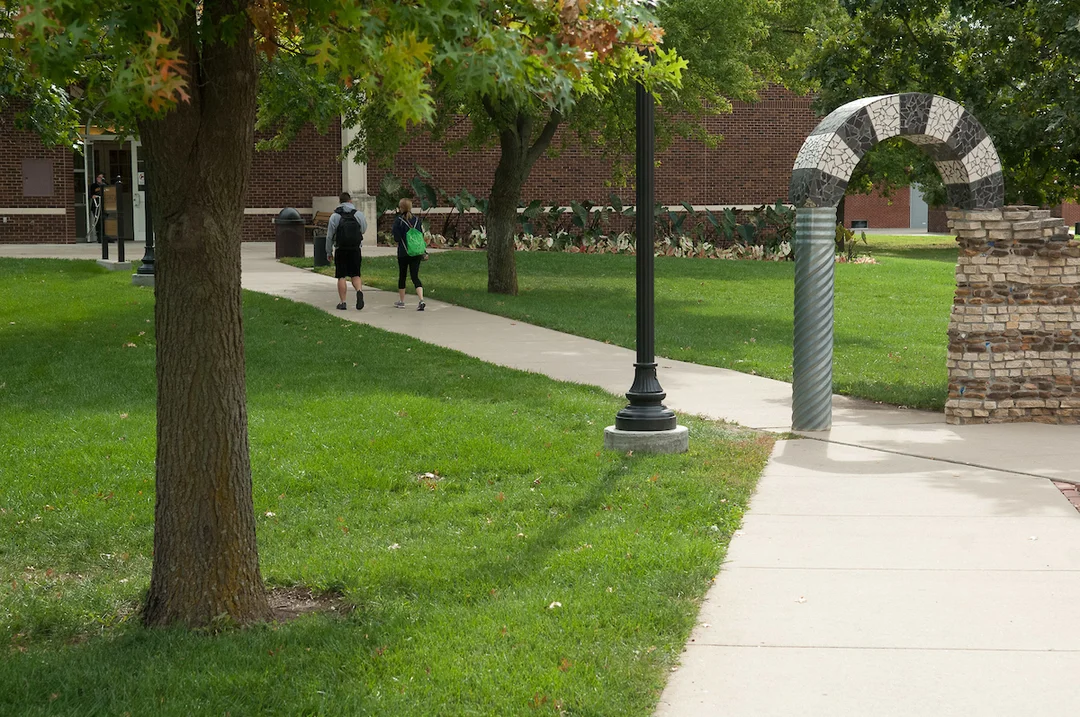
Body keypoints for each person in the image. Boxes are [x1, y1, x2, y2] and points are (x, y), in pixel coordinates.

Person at [325, 192, 368, 310]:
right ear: (350, 201)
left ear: (340, 202)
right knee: (356, 274)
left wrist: (329, 252)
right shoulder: (358, 214)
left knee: (341, 276)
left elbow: (329, 236)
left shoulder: (335, 216)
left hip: (341, 249)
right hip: (355, 248)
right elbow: (363, 229)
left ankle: (343, 302)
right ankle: (359, 291)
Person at [392, 198, 426, 311]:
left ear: (401, 207)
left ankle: (401, 301)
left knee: (402, 276)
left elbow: (396, 238)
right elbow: (420, 235)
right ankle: (421, 300)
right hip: (416, 252)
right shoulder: (417, 220)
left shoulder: (398, 221)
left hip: (403, 252)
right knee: (415, 276)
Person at [88, 173, 106, 242]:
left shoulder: (105, 185)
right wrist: (92, 196)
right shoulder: (93, 186)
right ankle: (99, 237)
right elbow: (90, 194)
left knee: (104, 221)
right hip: (96, 206)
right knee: (97, 221)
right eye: (98, 177)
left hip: (104, 206)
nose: (99, 179)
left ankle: (105, 236)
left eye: (101, 178)